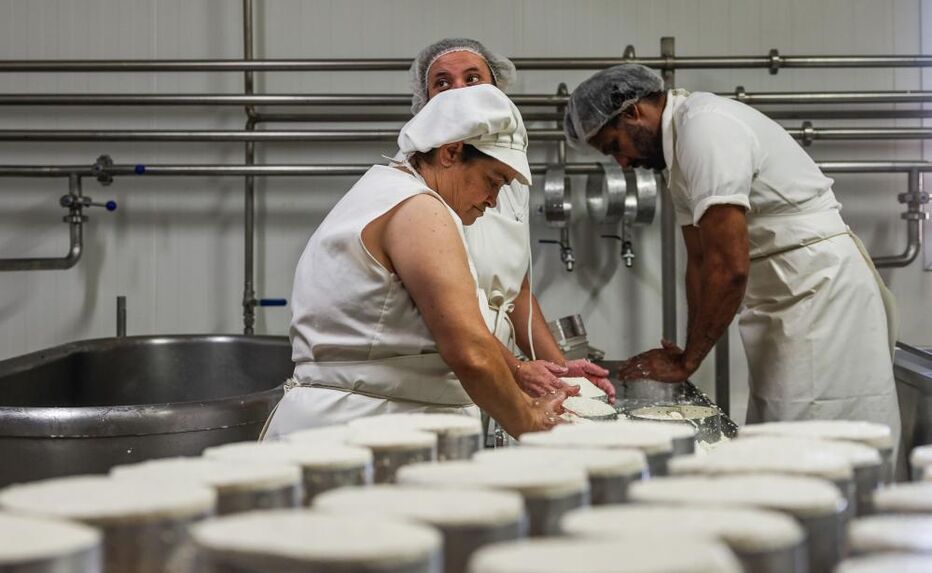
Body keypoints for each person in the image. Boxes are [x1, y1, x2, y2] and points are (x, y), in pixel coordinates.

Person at [563, 64, 900, 444]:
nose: (622, 164)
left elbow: (728, 268)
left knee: (823, 440)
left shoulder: (705, 129)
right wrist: (686, 350)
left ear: (632, 113)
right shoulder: (678, 155)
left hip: (822, 293)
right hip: (785, 299)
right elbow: (701, 260)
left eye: (614, 147)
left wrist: (689, 361)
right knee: (780, 434)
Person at [262, 85, 566, 441]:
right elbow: (469, 352)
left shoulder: (386, 193)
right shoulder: (418, 210)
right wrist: (530, 423)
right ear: (451, 153)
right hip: (361, 431)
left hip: (366, 425)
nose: (494, 201)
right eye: (493, 181)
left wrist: (517, 379)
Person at [409, 38, 615, 402]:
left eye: (472, 79)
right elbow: (446, 315)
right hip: (442, 375)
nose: (459, 92)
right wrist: (519, 374)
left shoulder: (509, 178)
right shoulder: (418, 187)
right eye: (442, 82)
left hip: (489, 374)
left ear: (497, 91)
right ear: (425, 104)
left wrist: (559, 371)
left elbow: (515, 291)